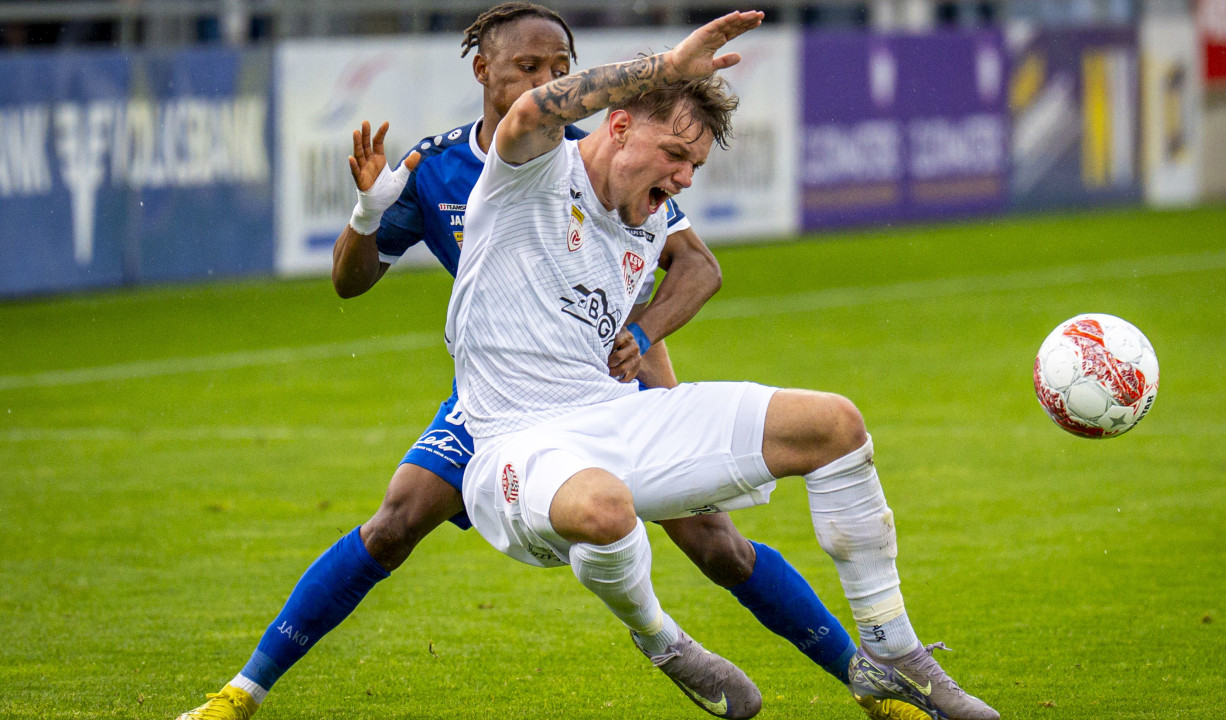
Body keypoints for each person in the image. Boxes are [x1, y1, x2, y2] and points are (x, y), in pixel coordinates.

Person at [176, 5, 862, 720]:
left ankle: (871, 683)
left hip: (599, 387)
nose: (548, 79)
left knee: (718, 545)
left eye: (560, 68)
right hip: (499, 398)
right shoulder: (438, 166)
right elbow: (351, 282)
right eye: (529, 68)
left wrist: (642, 329)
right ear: (483, 70)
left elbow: (695, 266)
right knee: (394, 523)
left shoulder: (597, 155)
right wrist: (365, 213)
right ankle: (240, 693)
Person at [447, 9, 1000, 720]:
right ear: (618, 128)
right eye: (674, 154)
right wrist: (666, 70)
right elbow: (530, 109)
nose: (683, 178)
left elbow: (692, 280)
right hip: (516, 442)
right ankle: (664, 641)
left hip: (613, 416)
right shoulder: (530, 172)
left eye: (696, 166)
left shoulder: (648, 219)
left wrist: (676, 422)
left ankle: (894, 650)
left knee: (835, 425)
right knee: (607, 510)